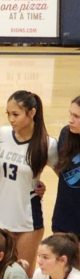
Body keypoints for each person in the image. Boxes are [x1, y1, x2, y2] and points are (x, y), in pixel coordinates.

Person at [0, 91, 53, 276]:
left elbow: (66, 174)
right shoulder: (2, 134)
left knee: (21, 277)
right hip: (1, 215)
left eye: (16, 114)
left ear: (32, 113)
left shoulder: (47, 144)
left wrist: (43, 187)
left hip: (28, 220)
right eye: (8, 114)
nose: (11, 119)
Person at [51, 95, 80, 236]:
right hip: (64, 218)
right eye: (71, 114)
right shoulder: (66, 133)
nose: (71, 120)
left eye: (77, 116)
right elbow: (61, 168)